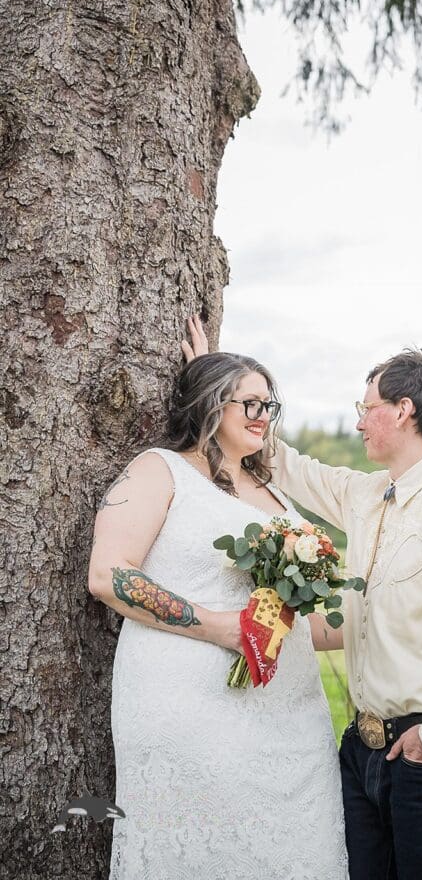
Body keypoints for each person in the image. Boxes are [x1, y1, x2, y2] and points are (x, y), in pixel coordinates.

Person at [184, 317, 422, 880]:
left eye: (366, 406)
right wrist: (219, 380)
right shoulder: (368, 494)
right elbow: (284, 464)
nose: (357, 421)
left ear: (403, 410)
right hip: (362, 753)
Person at [88, 351, 348, 880]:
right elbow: (108, 575)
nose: (262, 415)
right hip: (192, 704)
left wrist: (395, 624)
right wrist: (222, 627)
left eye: (268, 404)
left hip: (291, 713)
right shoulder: (160, 469)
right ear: (209, 402)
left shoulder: (274, 490)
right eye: (248, 402)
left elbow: (298, 626)